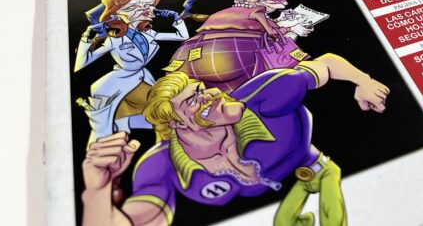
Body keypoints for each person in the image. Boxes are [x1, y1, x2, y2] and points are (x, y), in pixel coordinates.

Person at [80, 54, 390, 226]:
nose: (210, 95)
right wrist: (97, 192)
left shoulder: (268, 94)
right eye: (193, 101)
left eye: (201, 89)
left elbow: (328, 63)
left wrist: (364, 81)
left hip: (314, 169)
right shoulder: (161, 167)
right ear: (176, 124)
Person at [74, 0, 189, 144]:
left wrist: (176, 18)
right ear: (122, 11)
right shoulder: (115, 39)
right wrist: (86, 39)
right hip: (116, 85)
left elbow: (182, 37)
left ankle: (159, 141)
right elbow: (81, 63)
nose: (149, 10)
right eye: (141, 5)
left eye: (149, 5)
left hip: (143, 79)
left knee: (158, 114)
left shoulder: (149, 33)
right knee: (106, 130)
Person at [166, 0, 316, 92]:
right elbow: (271, 33)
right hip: (225, 58)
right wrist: (293, 28)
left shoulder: (231, 10)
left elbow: (240, 25)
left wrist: (278, 21)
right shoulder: (258, 11)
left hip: (183, 59)